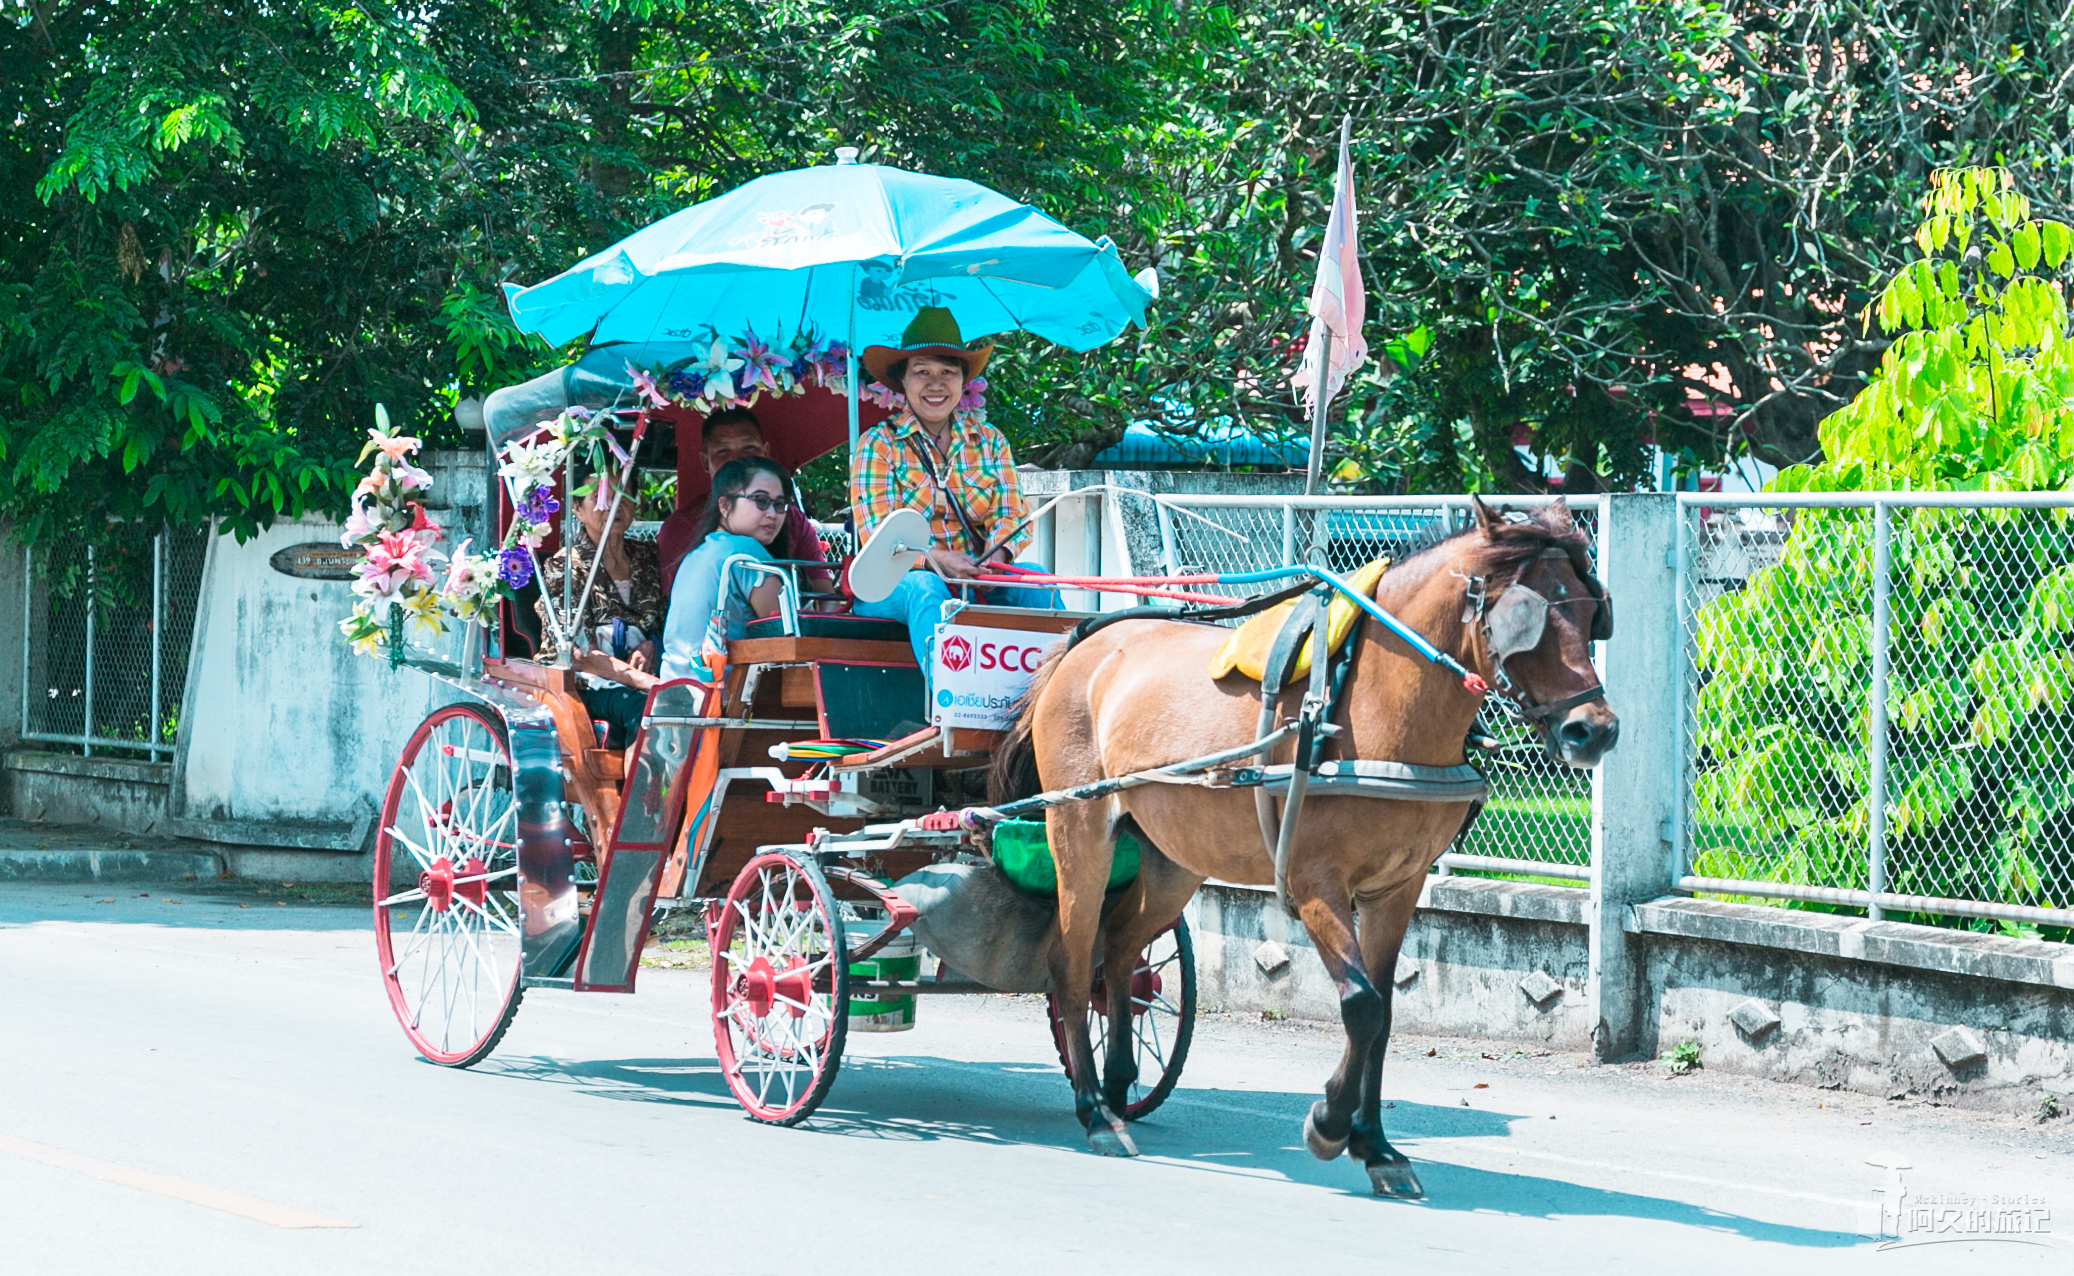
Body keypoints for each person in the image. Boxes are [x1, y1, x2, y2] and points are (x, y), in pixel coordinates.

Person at [849, 307, 1057, 671]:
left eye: (948, 372)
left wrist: (999, 559)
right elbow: (880, 539)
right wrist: (936, 561)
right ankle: (951, 715)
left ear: (963, 382)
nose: (935, 383)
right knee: (926, 589)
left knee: (1038, 580)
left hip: (977, 575)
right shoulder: (878, 444)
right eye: (922, 371)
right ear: (903, 380)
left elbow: (1012, 515)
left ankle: (1038, 705)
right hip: (895, 584)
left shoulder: (990, 441)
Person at [530, 468, 662, 748]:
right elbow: (581, 655)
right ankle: (642, 792)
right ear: (577, 508)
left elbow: (664, 621)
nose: (614, 505)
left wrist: (650, 645)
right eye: (600, 497)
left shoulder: (647, 556)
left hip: (646, 675)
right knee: (647, 710)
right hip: (586, 686)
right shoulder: (564, 567)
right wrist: (644, 681)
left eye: (624, 495)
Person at [657, 407, 824, 593]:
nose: (737, 460)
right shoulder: (680, 526)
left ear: (765, 452)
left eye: (748, 448)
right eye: (723, 451)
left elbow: (824, 594)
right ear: (705, 462)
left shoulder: (791, 518)